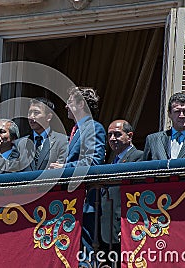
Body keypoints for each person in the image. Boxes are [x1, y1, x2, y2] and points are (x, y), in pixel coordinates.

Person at [49, 86, 106, 266]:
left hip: (86, 201)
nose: (66, 106)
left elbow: (94, 161)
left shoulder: (94, 128)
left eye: (70, 102)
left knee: (85, 252)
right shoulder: (76, 130)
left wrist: (65, 168)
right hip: (71, 202)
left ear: (81, 104)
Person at [101, 119, 143, 262]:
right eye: (110, 135)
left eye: (117, 134)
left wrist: (127, 225)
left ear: (129, 136)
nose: (112, 139)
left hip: (124, 224)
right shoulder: (113, 160)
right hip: (107, 227)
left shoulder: (138, 157)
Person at [13, 97, 68, 171]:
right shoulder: (19, 144)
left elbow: (60, 170)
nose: (31, 117)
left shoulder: (62, 141)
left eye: (36, 113)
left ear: (48, 117)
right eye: (29, 113)